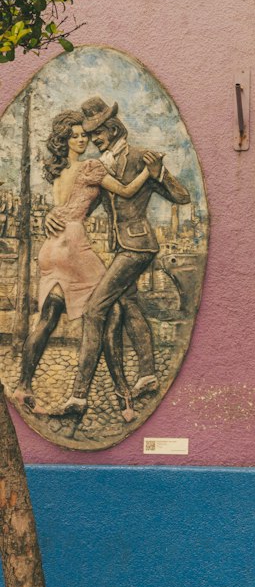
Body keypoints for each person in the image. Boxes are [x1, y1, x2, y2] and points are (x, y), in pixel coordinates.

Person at [47, 97, 190, 419]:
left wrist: (159, 173)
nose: (93, 140)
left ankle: (78, 396)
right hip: (119, 247)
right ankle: (148, 375)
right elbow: (86, 206)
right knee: (130, 306)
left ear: (111, 128)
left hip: (137, 246)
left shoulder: (140, 157)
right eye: (89, 135)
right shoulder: (103, 163)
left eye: (96, 134)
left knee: (95, 310)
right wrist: (52, 217)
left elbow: (183, 197)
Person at [14, 109, 160, 421]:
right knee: (111, 312)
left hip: (51, 249)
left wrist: (51, 216)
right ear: (65, 141)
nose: (83, 140)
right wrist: (150, 171)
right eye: (76, 135)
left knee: (47, 319)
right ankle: (123, 401)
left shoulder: (57, 172)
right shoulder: (90, 167)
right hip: (74, 246)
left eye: (84, 134)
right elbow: (126, 190)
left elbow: (59, 209)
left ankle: (23, 386)